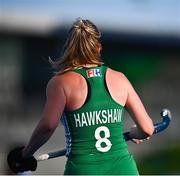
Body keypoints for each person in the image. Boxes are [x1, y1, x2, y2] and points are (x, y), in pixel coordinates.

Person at [8, 18, 154, 175]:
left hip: (83, 169)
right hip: (124, 169)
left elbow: (48, 126)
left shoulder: (60, 83)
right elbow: (147, 129)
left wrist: (26, 154)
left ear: (69, 48)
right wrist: (134, 133)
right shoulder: (120, 79)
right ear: (98, 48)